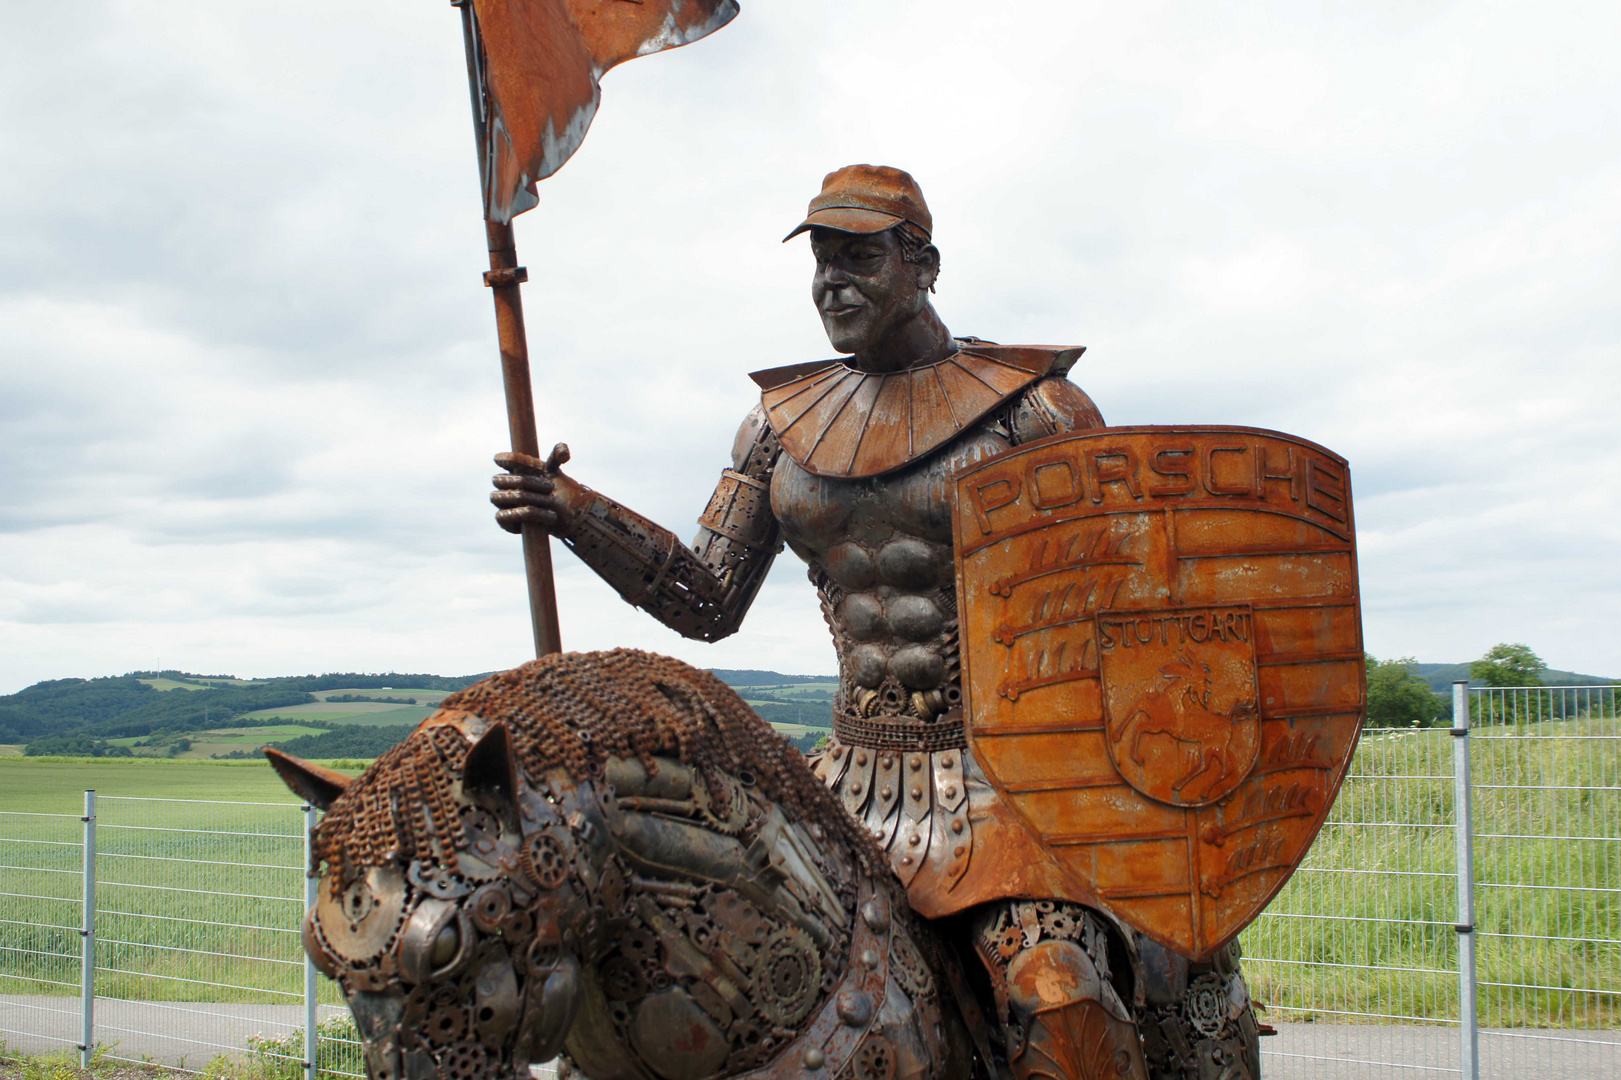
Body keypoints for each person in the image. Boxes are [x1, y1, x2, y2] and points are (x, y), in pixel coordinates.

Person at [491, 165, 1259, 1080]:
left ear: (923, 264)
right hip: (845, 784)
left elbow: (1133, 611)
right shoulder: (779, 426)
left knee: (1059, 999)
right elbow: (705, 600)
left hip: (1004, 790)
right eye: (820, 259)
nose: (831, 281)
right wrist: (573, 511)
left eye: (858, 255)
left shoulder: (1034, 414)